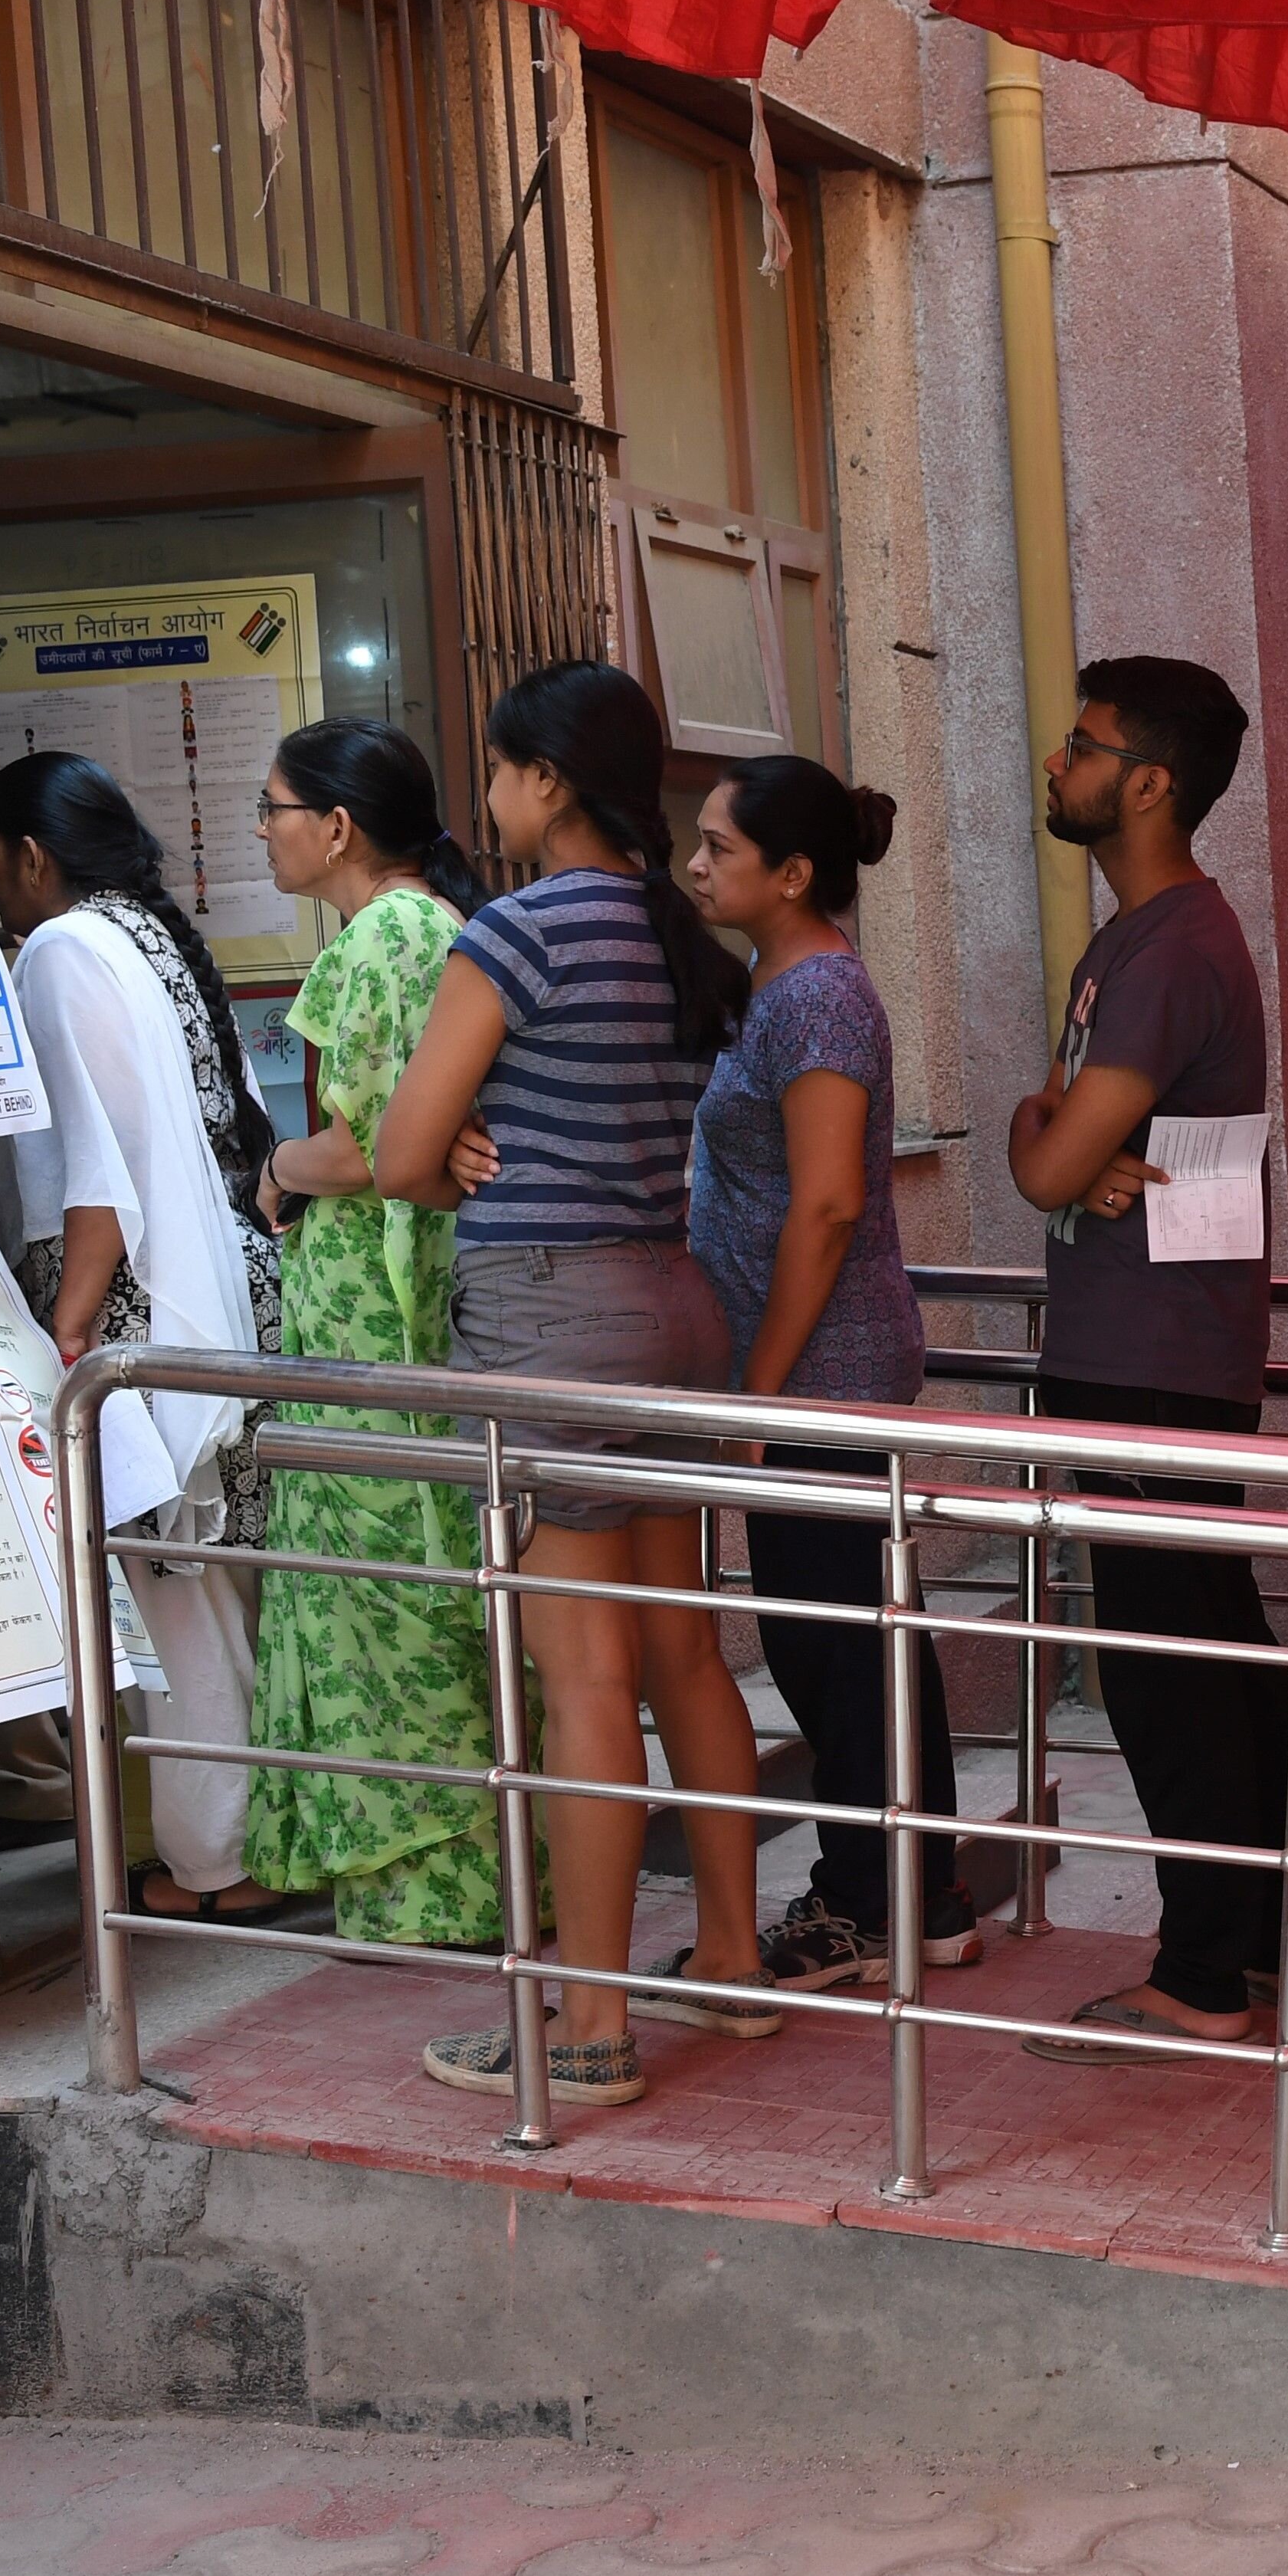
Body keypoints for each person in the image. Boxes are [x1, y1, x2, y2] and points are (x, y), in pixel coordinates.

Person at [378, 661, 765, 2111]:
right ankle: (730, 1962)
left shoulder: (518, 934)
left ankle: (591, 2024)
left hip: (552, 1313)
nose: (487, 802)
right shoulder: (679, 934)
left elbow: (408, 1156)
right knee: (686, 1653)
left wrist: (470, 1133)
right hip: (672, 1300)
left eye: (497, 773)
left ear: (547, 781)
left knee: (583, 1673)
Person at [997, 656, 1288, 2064]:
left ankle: (1205, 1971)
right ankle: (1248, 1943)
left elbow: (1053, 1155)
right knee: (1207, 1641)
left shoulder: (1172, 948)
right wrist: (1043, 1138)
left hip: (1152, 1353)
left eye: (1084, 744)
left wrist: (1037, 1141)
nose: (1059, 764)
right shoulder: (1133, 941)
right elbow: (1057, 1149)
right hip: (1146, 1341)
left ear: (1151, 782)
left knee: (1171, 1660)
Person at [678, 753, 982, 1995]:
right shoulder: (774, 984)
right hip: (801, 1363)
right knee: (841, 1639)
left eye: (719, 848)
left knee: (841, 1645)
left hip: (822, 1365)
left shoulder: (817, 998)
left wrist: (757, 1384)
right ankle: (915, 1890)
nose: (695, 866)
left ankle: (885, 1899)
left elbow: (828, 1206)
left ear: (793, 874)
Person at [0, 752, 284, 1925]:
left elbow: (99, 1179)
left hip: (132, 1305)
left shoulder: (61, 950)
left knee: (169, 1591)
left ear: (34, 856)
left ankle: (215, 1861)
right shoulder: (148, 933)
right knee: (217, 1586)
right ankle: (248, 1833)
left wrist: (67, 1328)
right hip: (217, 1286)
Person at [234, 717, 511, 1948]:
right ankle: (430, 1878)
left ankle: (433, 1889)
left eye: (275, 805)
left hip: (377, 1316)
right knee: (400, 1584)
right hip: (375, 1305)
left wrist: (280, 1168)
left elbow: (371, 1145)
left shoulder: (394, 935)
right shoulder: (414, 930)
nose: (261, 828)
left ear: (336, 826)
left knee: (390, 1594)